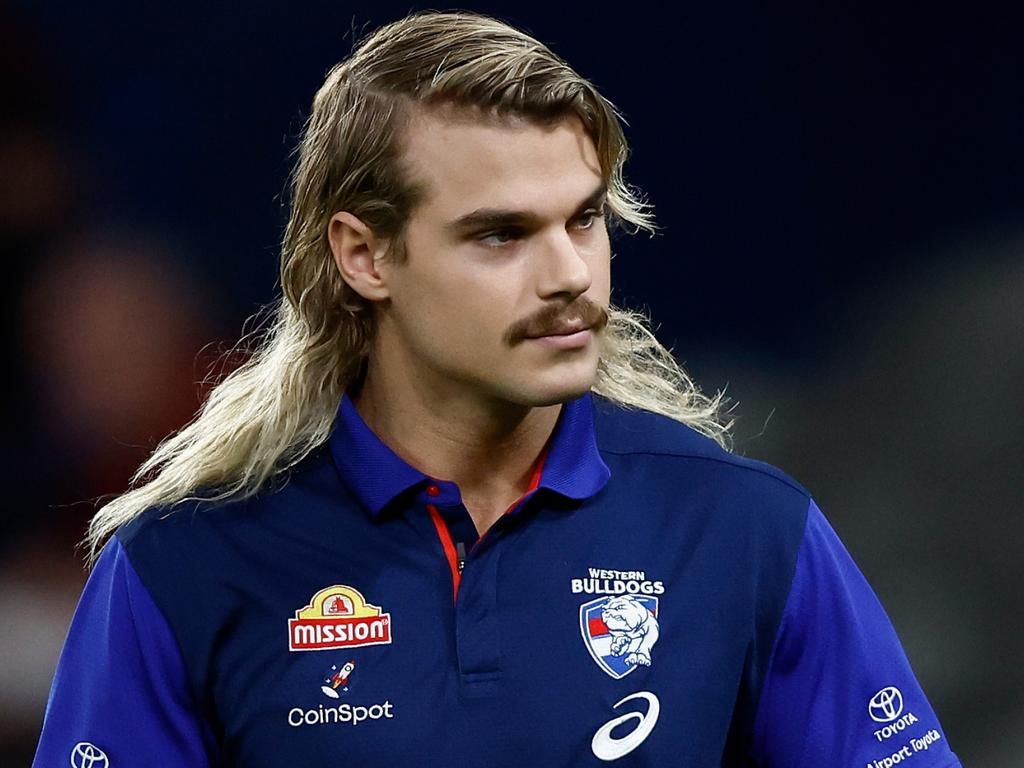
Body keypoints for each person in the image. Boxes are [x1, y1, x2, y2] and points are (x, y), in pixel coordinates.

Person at [33, 10, 962, 768]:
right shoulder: (183, 567)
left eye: (585, 219)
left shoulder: (746, 533)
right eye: (500, 234)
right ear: (363, 256)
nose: (569, 275)